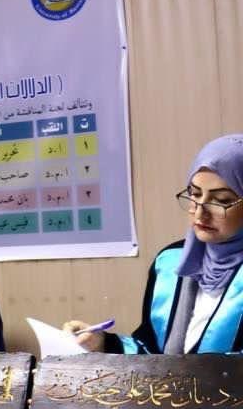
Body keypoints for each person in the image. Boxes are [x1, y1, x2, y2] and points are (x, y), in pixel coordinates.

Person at [66, 134, 243, 354]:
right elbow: (150, 351)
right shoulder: (171, 260)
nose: (200, 212)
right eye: (195, 194)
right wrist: (103, 343)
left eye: (221, 201)